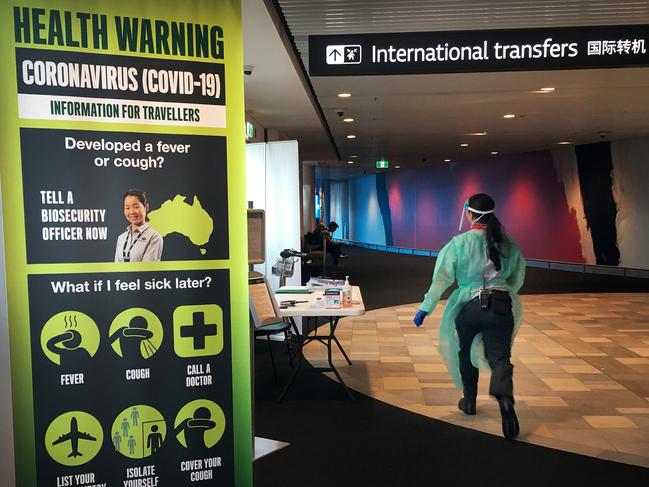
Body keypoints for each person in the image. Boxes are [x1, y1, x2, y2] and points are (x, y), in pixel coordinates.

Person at [412, 193, 526, 440]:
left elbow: (441, 278)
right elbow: (518, 275)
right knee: (500, 357)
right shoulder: (507, 242)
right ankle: (505, 399)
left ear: (470, 214)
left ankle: (470, 401)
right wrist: (505, 293)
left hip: (469, 307)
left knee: (464, 352)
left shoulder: (458, 243)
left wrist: (425, 308)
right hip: (501, 306)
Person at [115, 189, 163, 262]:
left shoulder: (154, 237)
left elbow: (147, 270)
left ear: (146, 207)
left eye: (136, 207)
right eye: (127, 208)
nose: (131, 212)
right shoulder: (121, 238)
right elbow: (116, 268)